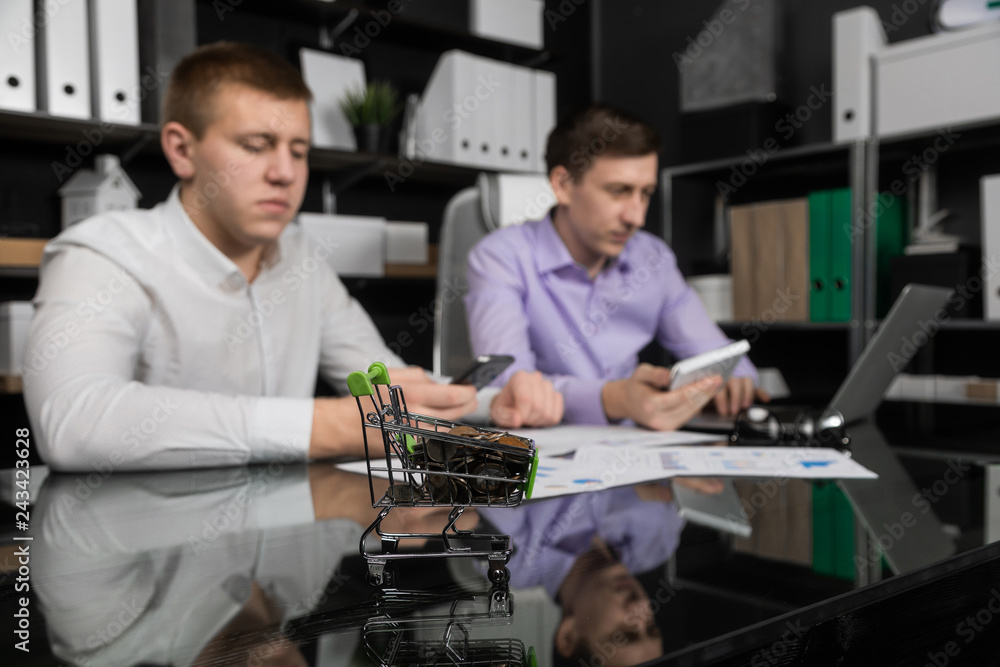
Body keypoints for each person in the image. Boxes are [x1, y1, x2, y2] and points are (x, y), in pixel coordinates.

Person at [22, 42, 561, 472]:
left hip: (283, 570)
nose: (285, 172)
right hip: (143, 575)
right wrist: (326, 426)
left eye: (299, 151)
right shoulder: (104, 252)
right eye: (256, 145)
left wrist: (488, 406)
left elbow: (382, 386)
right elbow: (73, 423)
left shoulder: (303, 258)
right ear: (181, 150)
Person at [465, 104, 766, 431]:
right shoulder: (500, 258)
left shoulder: (653, 258)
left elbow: (719, 354)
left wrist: (735, 379)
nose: (636, 217)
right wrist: (615, 398)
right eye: (619, 191)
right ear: (563, 184)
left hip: (636, 453)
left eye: (645, 194)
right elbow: (510, 389)